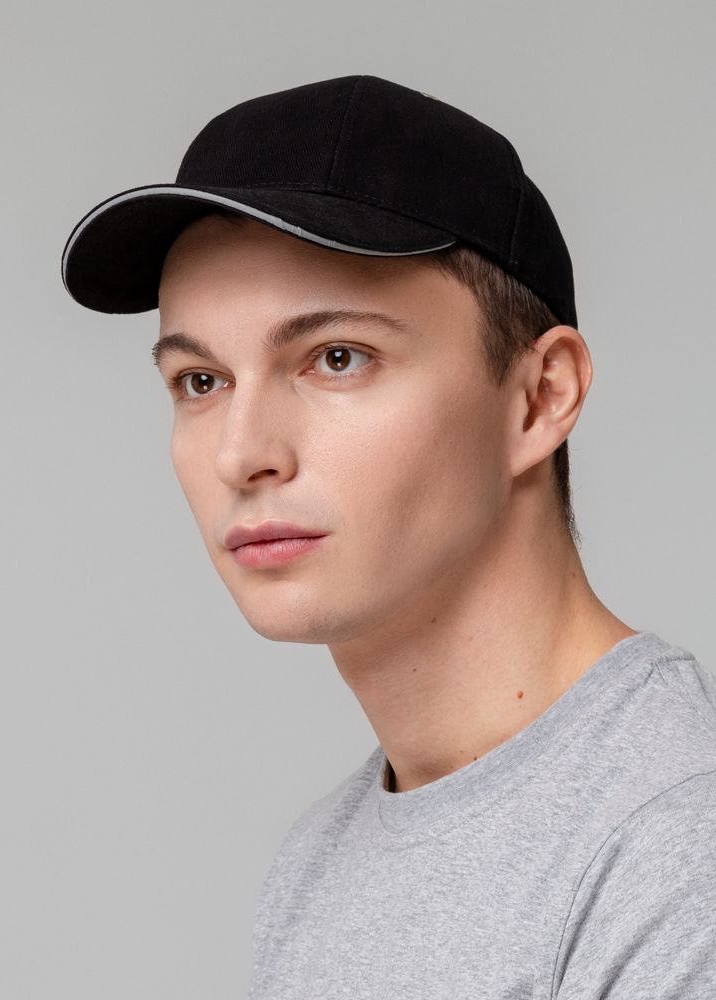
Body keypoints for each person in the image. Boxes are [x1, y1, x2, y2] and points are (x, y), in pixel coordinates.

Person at [61, 75, 716, 998]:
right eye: (201, 381)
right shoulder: (317, 867)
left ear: (541, 398)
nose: (242, 455)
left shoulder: (675, 847)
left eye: (337, 358)